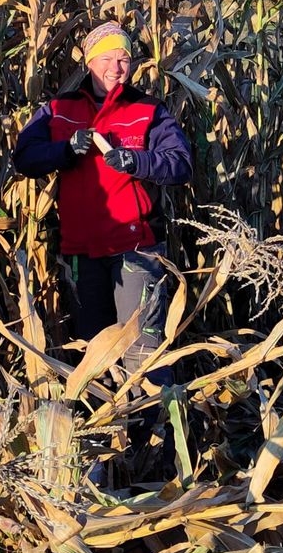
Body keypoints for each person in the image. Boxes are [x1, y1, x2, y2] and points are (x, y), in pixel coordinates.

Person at [12, 21, 193, 386]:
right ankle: (106, 434)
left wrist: (137, 161)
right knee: (93, 352)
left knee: (143, 351)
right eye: (106, 58)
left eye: (124, 58)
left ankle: (153, 434)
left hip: (137, 250)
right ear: (89, 62)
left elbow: (181, 164)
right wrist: (65, 150)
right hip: (81, 250)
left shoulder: (148, 111)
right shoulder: (58, 110)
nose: (116, 67)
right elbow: (24, 157)